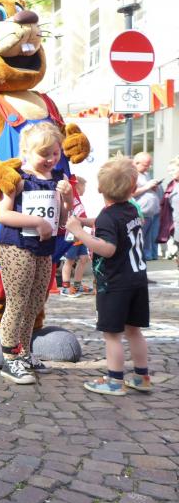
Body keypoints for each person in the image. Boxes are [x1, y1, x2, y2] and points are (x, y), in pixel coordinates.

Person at [0, 123, 73, 384]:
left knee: (35, 301)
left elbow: (62, 219)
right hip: (16, 247)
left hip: (44, 249)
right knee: (17, 302)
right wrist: (36, 222)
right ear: (26, 152)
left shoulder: (58, 178)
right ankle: (10, 358)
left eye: (55, 153)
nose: (51, 159)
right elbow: (2, 214)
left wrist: (67, 199)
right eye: (44, 154)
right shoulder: (14, 177)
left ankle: (25, 352)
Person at [65, 156, 151, 395]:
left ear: (100, 188)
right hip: (137, 280)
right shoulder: (132, 210)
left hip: (115, 284)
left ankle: (114, 380)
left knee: (112, 335)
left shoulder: (107, 217)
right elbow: (110, 224)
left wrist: (79, 232)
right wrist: (85, 221)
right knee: (134, 331)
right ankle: (142, 376)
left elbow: (107, 248)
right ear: (132, 188)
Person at [60, 176, 95, 297]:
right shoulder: (72, 194)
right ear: (78, 185)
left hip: (80, 234)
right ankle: (65, 287)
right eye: (84, 186)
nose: (85, 189)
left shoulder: (77, 199)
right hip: (71, 234)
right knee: (69, 260)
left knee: (84, 258)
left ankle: (77, 285)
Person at [132, 152, 161, 261]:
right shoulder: (132, 174)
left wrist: (153, 187)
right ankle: (138, 259)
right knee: (139, 238)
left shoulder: (145, 174)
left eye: (149, 165)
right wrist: (147, 186)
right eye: (146, 165)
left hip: (150, 213)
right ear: (136, 163)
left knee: (147, 239)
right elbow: (130, 193)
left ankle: (145, 258)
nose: (148, 167)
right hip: (140, 213)